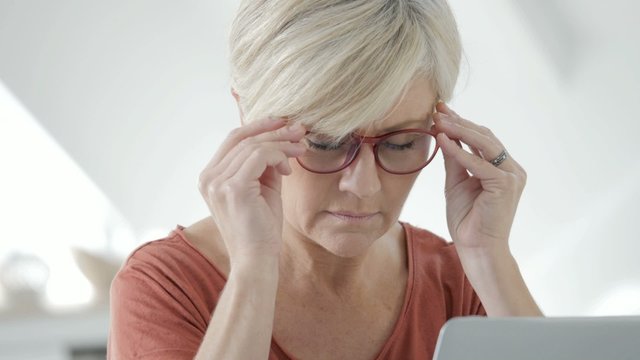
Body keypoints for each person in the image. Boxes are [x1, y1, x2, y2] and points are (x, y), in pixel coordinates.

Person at [107, 0, 543, 359]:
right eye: (328, 141)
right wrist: (254, 269)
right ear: (249, 117)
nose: (365, 186)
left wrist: (489, 258)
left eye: (401, 143)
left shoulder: (459, 283)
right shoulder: (164, 288)